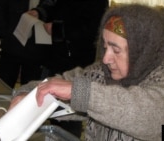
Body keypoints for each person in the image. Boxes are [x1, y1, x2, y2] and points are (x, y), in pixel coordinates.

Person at [9, 4, 164, 141]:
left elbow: (155, 118)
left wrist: (81, 93)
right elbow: (61, 84)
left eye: (116, 50)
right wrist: (27, 94)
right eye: (105, 46)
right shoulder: (105, 72)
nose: (106, 58)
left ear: (142, 48)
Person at [33, 0, 109, 137]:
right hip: (53, 56)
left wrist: (58, 29)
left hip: (75, 61)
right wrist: (39, 12)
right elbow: (51, 3)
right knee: (45, 107)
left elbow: (92, 27)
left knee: (69, 116)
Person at [0, 0, 51, 88]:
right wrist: (6, 33)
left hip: (38, 48)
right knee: (3, 86)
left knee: (31, 90)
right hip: (12, 44)